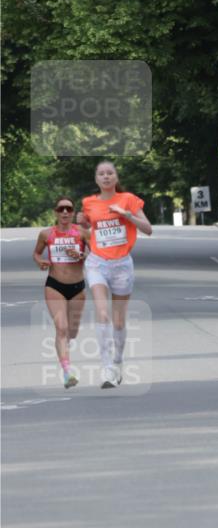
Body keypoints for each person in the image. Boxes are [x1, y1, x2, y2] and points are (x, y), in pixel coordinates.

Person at [78, 161, 152, 389]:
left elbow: (148, 229)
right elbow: (85, 230)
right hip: (97, 263)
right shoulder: (88, 203)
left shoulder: (128, 199)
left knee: (118, 321)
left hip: (122, 265)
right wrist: (83, 234)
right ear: (96, 179)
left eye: (110, 173)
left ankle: (118, 362)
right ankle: (107, 368)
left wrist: (126, 214)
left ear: (116, 178)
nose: (106, 177)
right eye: (101, 173)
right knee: (102, 313)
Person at [33, 197, 88, 389]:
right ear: (55, 212)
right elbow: (37, 253)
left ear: (73, 212)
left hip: (77, 288)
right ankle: (67, 372)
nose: (65, 212)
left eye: (68, 209)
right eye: (61, 209)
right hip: (54, 285)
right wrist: (40, 261)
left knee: (72, 332)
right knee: (62, 328)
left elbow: (96, 254)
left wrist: (81, 255)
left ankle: (66, 354)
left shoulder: (82, 233)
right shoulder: (46, 234)